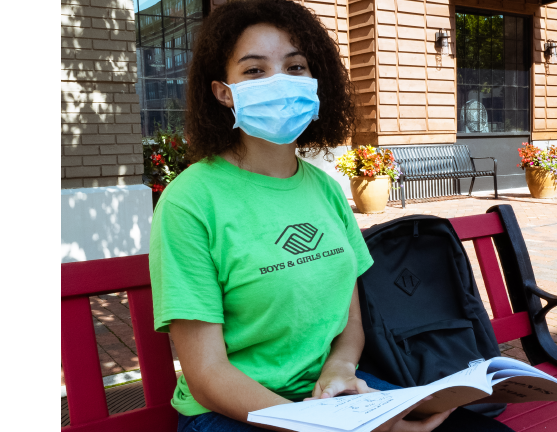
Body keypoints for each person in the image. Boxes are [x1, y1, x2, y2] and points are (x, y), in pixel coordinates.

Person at [149, 1, 515, 431]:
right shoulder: (189, 202)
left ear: (315, 80)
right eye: (254, 71)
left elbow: (351, 321)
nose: (279, 82)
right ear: (223, 92)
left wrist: (342, 368)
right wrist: (325, 425)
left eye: (295, 67)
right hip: (234, 410)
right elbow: (208, 376)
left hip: (329, 395)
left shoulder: (324, 189)